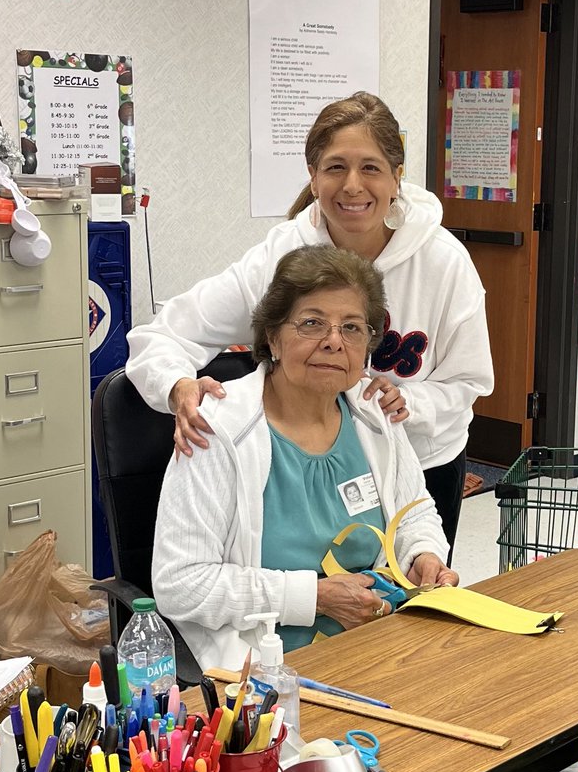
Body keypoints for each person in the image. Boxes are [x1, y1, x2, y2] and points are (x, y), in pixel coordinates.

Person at [152, 247, 475, 772]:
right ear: (271, 335)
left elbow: (414, 509)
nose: (333, 341)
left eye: (353, 327)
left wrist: (424, 558)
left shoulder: (374, 417)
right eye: (311, 323)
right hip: (275, 678)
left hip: (386, 653)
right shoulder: (219, 428)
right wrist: (315, 597)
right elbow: (179, 583)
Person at [128, 91, 493, 557]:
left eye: (371, 168)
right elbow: (162, 334)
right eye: (336, 167)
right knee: (318, 606)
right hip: (302, 470)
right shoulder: (281, 256)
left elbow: (468, 379)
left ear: (397, 177)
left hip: (418, 467)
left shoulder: (444, 262)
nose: (353, 186)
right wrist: (176, 386)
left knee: (412, 603)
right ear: (313, 175)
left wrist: (410, 401)